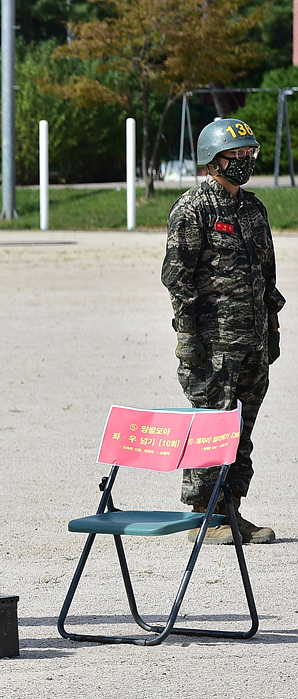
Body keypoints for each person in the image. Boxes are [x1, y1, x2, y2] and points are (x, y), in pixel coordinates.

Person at [162, 117, 285, 545]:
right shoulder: (194, 209)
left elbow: (266, 274)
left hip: (251, 341)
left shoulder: (253, 208)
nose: (246, 162)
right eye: (238, 155)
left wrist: (272, 325)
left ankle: (231, 510)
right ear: (214, 161)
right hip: (212, 346)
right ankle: (205, 516)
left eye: (250, 154)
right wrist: (188, 337)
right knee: (209, 428)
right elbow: (178, 278)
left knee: (240, 432)